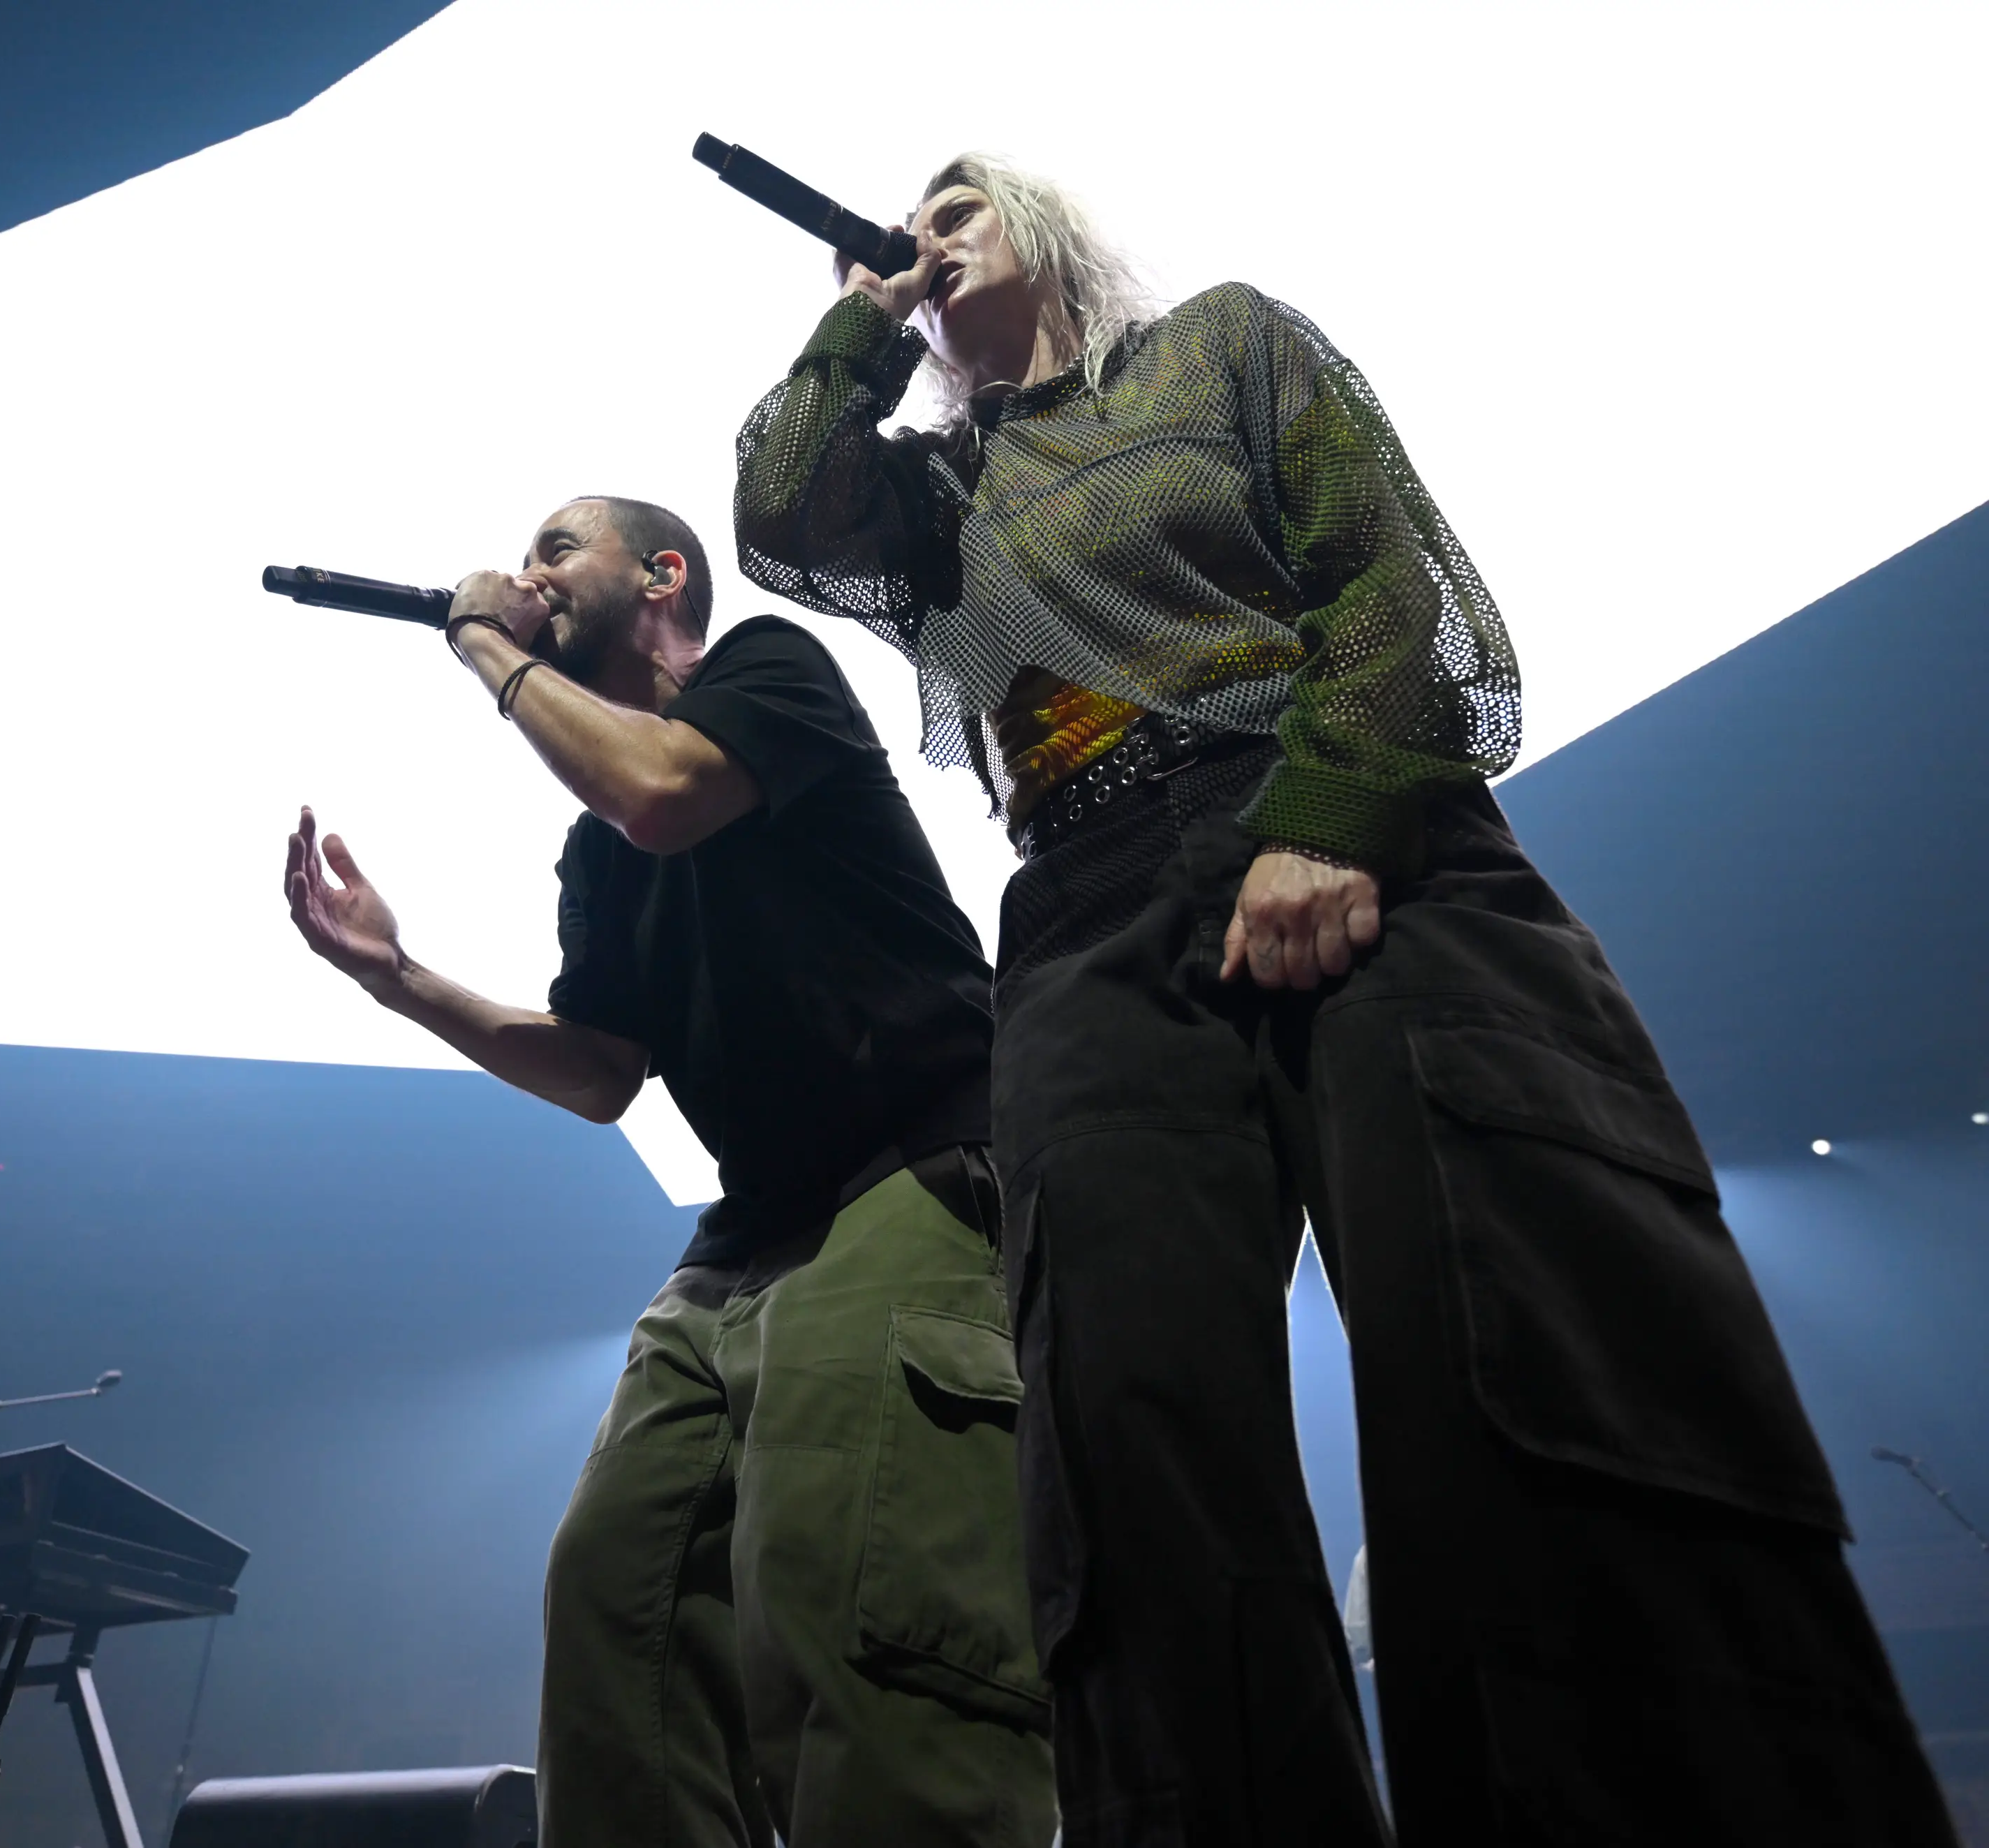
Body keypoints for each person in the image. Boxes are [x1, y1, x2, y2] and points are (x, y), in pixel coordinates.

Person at [734, 154, 1953, 1843]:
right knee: (1128, 1434)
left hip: (1339, 818)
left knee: (1521, 1337)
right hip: (1086, 912)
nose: (926, 237)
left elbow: (1389, 583)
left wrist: (1324, 822)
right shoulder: (929, 490)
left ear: (1043, 226)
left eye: (960, 208)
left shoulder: (1222, 346)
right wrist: (855, 335)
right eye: (909, 229)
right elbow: (781, 516)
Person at [282, 495, 1056, 1847]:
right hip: (744, 1238)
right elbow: (598, 1070)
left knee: (842, 1572)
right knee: (614, 1592)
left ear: (662, 573)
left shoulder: (766, 671)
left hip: (909, 1167)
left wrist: (485, 645)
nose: (528, 572)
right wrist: (396, 976)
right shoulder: (598, 846)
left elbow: (663, 794)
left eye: (555, 548)